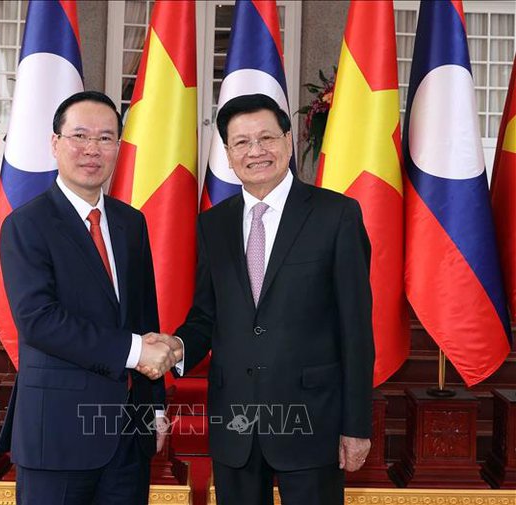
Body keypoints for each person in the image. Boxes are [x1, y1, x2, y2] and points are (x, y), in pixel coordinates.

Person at [144, 93, 374, 504]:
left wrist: (356, 425)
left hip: (311, 423)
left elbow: (356, 329)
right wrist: (177, 347)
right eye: (242, 143)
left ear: (288, 140)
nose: (256, 151)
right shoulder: (213, 225)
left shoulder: (336, 215)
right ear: (229, 155)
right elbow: (205, 316)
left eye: (267, 138)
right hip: (235, 425)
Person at [0, 91, 177, 505]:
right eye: (80, 135)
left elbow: (144, 316)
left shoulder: (132, 223)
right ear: (55, 143)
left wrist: (155, 407)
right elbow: (39, 321)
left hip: (129, 440)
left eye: (106, 138)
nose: (92, 149)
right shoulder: (26, 225)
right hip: (56, 439)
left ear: (118, 147)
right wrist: (134, 352)